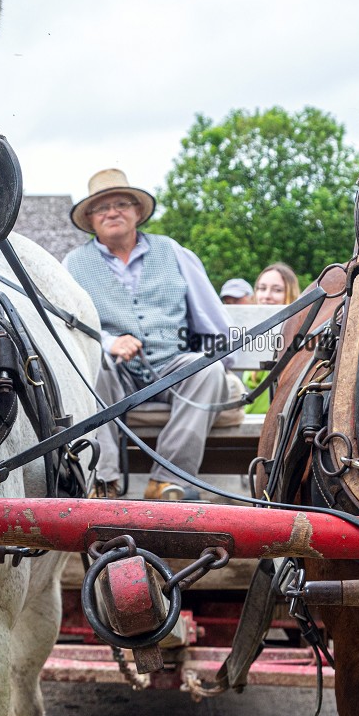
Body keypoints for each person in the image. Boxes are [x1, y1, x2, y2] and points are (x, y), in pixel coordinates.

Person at [64, 169, 234, 501]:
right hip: (114, 376)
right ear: (91, 218)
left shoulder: (173, 251)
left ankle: (167, 481)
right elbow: (66, 327)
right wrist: (110, 342)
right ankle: (103, 480)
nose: (112, 212)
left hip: (171, 367)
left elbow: (209, 313)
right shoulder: (73, 264)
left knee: (208, 370)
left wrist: (228, 357)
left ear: (138, 212)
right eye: (102, 207)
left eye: (121, 203)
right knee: (94, 366)